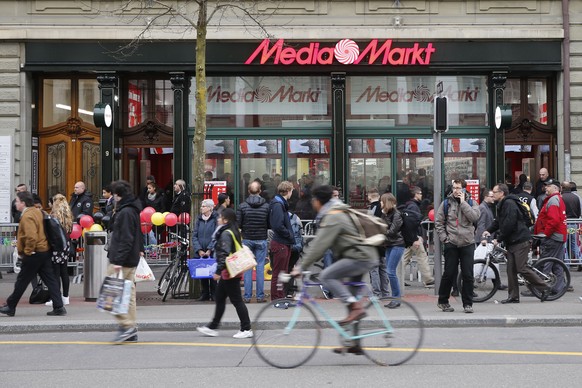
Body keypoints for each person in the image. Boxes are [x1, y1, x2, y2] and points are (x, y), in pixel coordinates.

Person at [291, 185, 380, 338]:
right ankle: (353, 341)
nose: (312, 203)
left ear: (319, 201)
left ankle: (357, 309)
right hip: (360, 255)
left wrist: (301, 267)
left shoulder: (333, 215)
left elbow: (320, 244)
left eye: (313, 199)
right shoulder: (336, 211)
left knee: (326, 276)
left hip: (360, 257)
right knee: (351, 301)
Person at [0, 191, 66, 317]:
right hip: (44, 250)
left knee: (22, 280)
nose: (16, 204)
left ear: (23, 203)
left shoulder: (28, 216)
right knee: (50, 279)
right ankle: (59, 306)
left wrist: (27, 252)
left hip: (34, 253)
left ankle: (11, 306)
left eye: (17, 201)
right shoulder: (37, 211)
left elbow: (31, 237)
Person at [483, 184, 550, 303]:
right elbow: (499, 221)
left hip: (520, 240)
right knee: (511, 270)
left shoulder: (509, 204)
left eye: (495, 191)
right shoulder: (502, 204)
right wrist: (488, 230)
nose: (493, 194)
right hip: (513, 241)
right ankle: (513, 296)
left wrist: (498, 238)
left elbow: (509, 224)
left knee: (521, 268)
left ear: (502, 193)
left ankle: (545, 287)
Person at [196, 208, 253, 339]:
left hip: (229, 271)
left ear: (225, 220)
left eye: (220, 217)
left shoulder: (226, 233)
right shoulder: (233, 231)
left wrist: (218, 271)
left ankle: (246, 328)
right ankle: (213, 327)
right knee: (220, 298)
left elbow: (224, 254)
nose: (218, 219)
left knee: (237, 300)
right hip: (231, 271)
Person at [434, 179, 480, 314]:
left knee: (468, 274)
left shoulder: (472, 203)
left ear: (465, 190)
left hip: (467, 243)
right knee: (449, 273)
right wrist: (445, 239)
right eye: (454, 188)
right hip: (452, 242)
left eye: (459, 188)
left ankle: (467, 304)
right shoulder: (446, 203)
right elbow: (438, 222)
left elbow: (474, 217)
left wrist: (463, 202)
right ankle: (443, 301)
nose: (456, 190)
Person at [106, 180, 143, 343]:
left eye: (114, 194)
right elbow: (136, 234)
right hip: (130, 258)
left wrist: (118, 260)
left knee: (110, 295)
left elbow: (126, 238)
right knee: (129, 296)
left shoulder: (125, 212)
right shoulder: (132, 210)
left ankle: (126, 325)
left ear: (118, 195)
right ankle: (131, 328)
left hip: (122, 259)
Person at [533, 178, 568, 296]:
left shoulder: (553, 200)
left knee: (545, 263)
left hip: (553, 237)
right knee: (557, 264)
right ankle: (558, 288)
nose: (545, 188)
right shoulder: (557, 199)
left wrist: (545, 234)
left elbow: (553, 220)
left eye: (548, 186)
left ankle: (539, 288)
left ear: (555, 188)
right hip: (558, 236)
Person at [236, 181, 269, 303]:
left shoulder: (242, 206)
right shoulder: (266, 206)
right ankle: (260, 296)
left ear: (249, 191)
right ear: (260, 191)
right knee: (260, 267)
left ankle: (247, 296)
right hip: (261, 238)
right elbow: (269, 223)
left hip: (247, 239)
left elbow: (238, 224)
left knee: (248, 268)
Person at [400, 186, 435, 287]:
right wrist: (416, 236)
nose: (421, 195)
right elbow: (412, 223)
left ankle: (398, 277)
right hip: (413, 237)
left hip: (410, 237)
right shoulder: (413, 207)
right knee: (422, 256)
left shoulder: (410, 205)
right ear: (415, 194)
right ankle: (428, 279)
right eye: (420, 193)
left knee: (405, 257)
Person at [268, 181, 296, 302]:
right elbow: (278, 225)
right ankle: (277, 298)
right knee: (279, 272)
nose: (292, 193)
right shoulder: (278, 205)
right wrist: (289, 234)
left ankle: (280, 297)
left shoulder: (278, 203)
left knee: (281, 272)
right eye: (292, 191)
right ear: (288, 191)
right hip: (281, 243)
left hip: (282, 243)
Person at [45, 194, 73, 307]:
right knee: (64, 272)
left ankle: (55, 297)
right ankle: (66, 297)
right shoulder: (68, 215)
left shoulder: (54, 215)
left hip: (57, 246)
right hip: (65, 245)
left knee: (55, 273)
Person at [379, 193, 405, 309]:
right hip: (389, 245)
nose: (380, 203)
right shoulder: (386, 213)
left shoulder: (396, 214)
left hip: (397, 244)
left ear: (386, 202)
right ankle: (394, 298)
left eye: (382, 201)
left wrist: (381, 231)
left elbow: (392, 231)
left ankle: (396, 298)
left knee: (390, 271)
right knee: (389, 271)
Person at [192, 199, 218, 301]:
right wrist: (199, 250)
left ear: (210, 208)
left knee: (212, 272)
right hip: (201, 249)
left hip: (211, 250)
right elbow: (194, 236)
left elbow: (216, 235)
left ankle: (214, 293)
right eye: (201, 206)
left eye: (204, 206)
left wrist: (209, 249)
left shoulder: (215, 219)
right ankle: (205, 293)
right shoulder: (198, 219)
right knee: (202, 272)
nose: (201, 208)